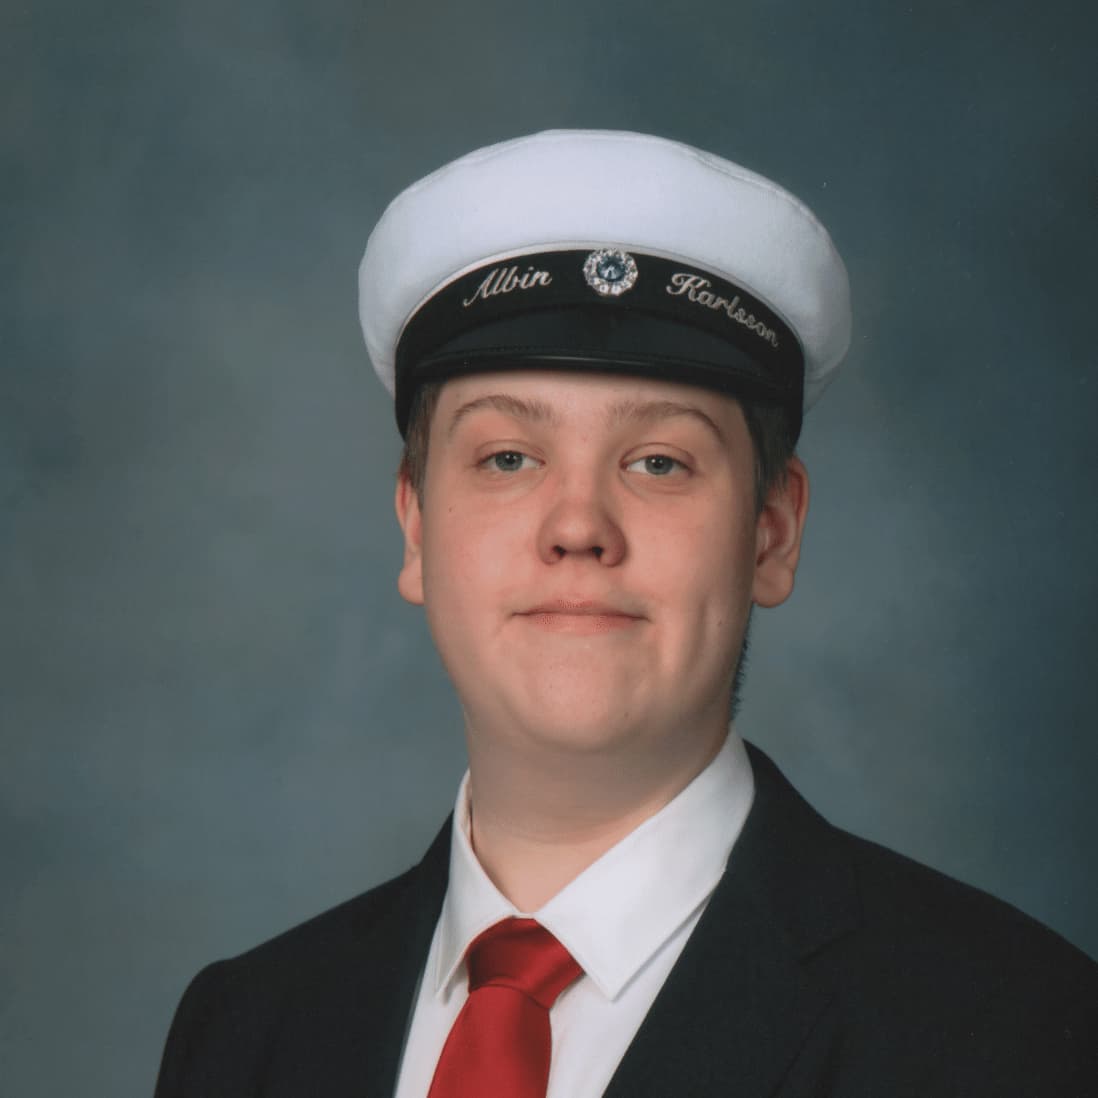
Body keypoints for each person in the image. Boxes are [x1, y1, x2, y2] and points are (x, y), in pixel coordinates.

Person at [153, 130, 1098, 1098]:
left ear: (772, 532)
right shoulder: (247, 1033)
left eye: (660, 462)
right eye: (507, 458)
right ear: (416, 527)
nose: (577, 526)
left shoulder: (1015, 1033)